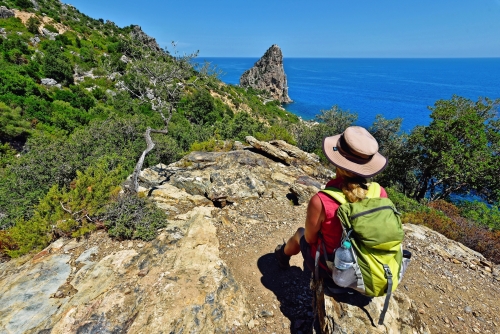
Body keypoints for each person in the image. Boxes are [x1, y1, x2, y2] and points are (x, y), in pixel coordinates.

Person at [274, 126, 389, 279]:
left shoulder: (321, 201)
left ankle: (282, 256)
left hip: (334, 269)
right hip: (370, 269)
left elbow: (310, 239)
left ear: (338, 160)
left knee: (299, 234)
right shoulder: (380, 192)